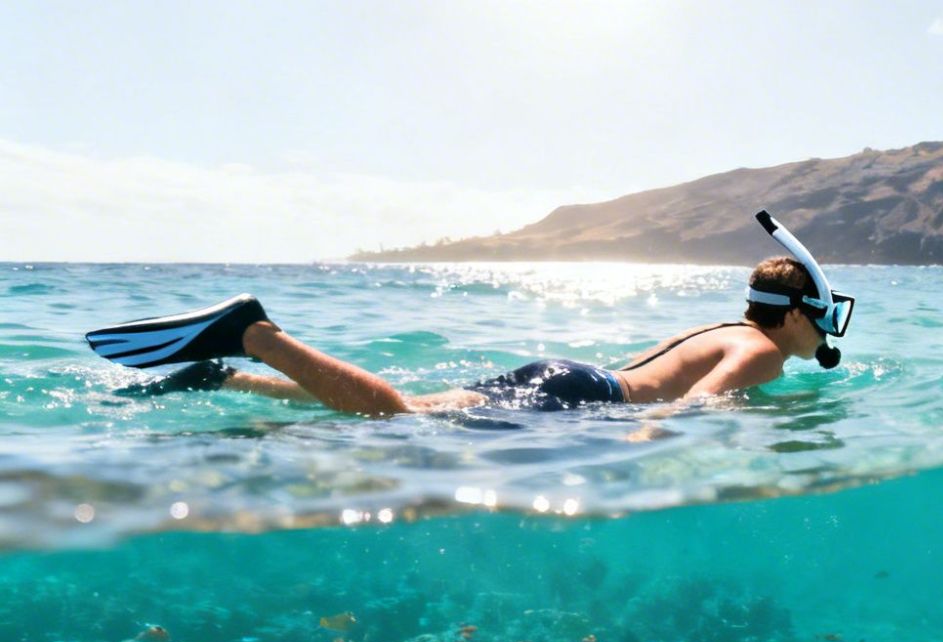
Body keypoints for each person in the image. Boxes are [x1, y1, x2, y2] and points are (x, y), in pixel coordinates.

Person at [84, 212, 854, 417]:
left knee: (406, 408)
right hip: (582, 400)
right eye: (822, 315)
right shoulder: (760, 352)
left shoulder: (721, 328)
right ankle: (256, 335)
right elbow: (689, 412)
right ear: (793, 314)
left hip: (571, 379)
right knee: (398, 420)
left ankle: (223, 378)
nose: (826, 330)